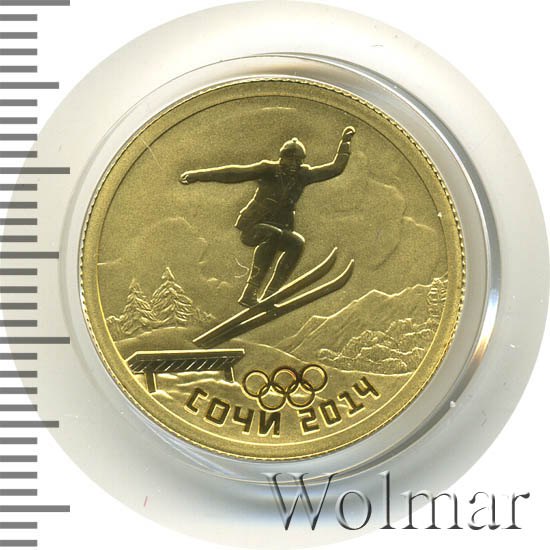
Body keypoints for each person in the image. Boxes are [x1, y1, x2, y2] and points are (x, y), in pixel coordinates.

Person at [179, 126, 356, 307]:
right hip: (253, 228)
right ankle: (250, 293)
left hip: (280, 229)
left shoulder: (303, 175)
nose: (293, 165)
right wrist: (197, 176)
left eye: (298, 161)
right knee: (272, 234)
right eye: (290, 160)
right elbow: (232, 174)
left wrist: (345, 142)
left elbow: (335, 168)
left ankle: (271, 294)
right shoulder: (267, 170)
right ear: (281, 159)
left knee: (297, 243)